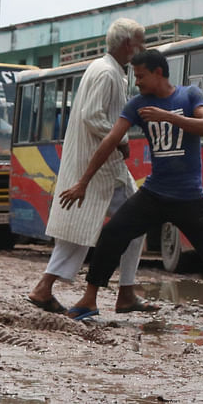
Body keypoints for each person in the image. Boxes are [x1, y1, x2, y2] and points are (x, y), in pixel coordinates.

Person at [59, 49, 203, 325]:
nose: (137, 82)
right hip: (153, 193)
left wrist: (168, 117)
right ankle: (89, 299)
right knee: (112, 234)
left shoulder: (190, 95)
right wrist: (82, 182)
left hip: (188, 197)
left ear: (158, 73)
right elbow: (110, 140)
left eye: (141, 76)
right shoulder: (137, 105)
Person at [27, 18, 159, 315]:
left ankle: (47, 288)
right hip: (101, 167)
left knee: (83, 229)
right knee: (117, 224)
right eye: (141, 42)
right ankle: (121, 293)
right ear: (128, 45)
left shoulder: (107, 70)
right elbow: (92, 116)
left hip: (101, 166)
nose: (144, 48)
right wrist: (121, 138)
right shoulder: (107, 74)